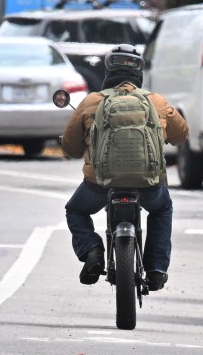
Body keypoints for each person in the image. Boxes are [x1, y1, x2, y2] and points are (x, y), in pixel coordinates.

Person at [60, 44, 189, 291]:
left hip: (99, 184)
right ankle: (157, 269)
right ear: (138, 72)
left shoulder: (91, 102)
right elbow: (182, 134)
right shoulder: (157, 102)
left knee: (75, 210)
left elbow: (71, 147)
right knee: (162, 210)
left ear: (109, 70)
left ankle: (92, 251)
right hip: (149, 184)